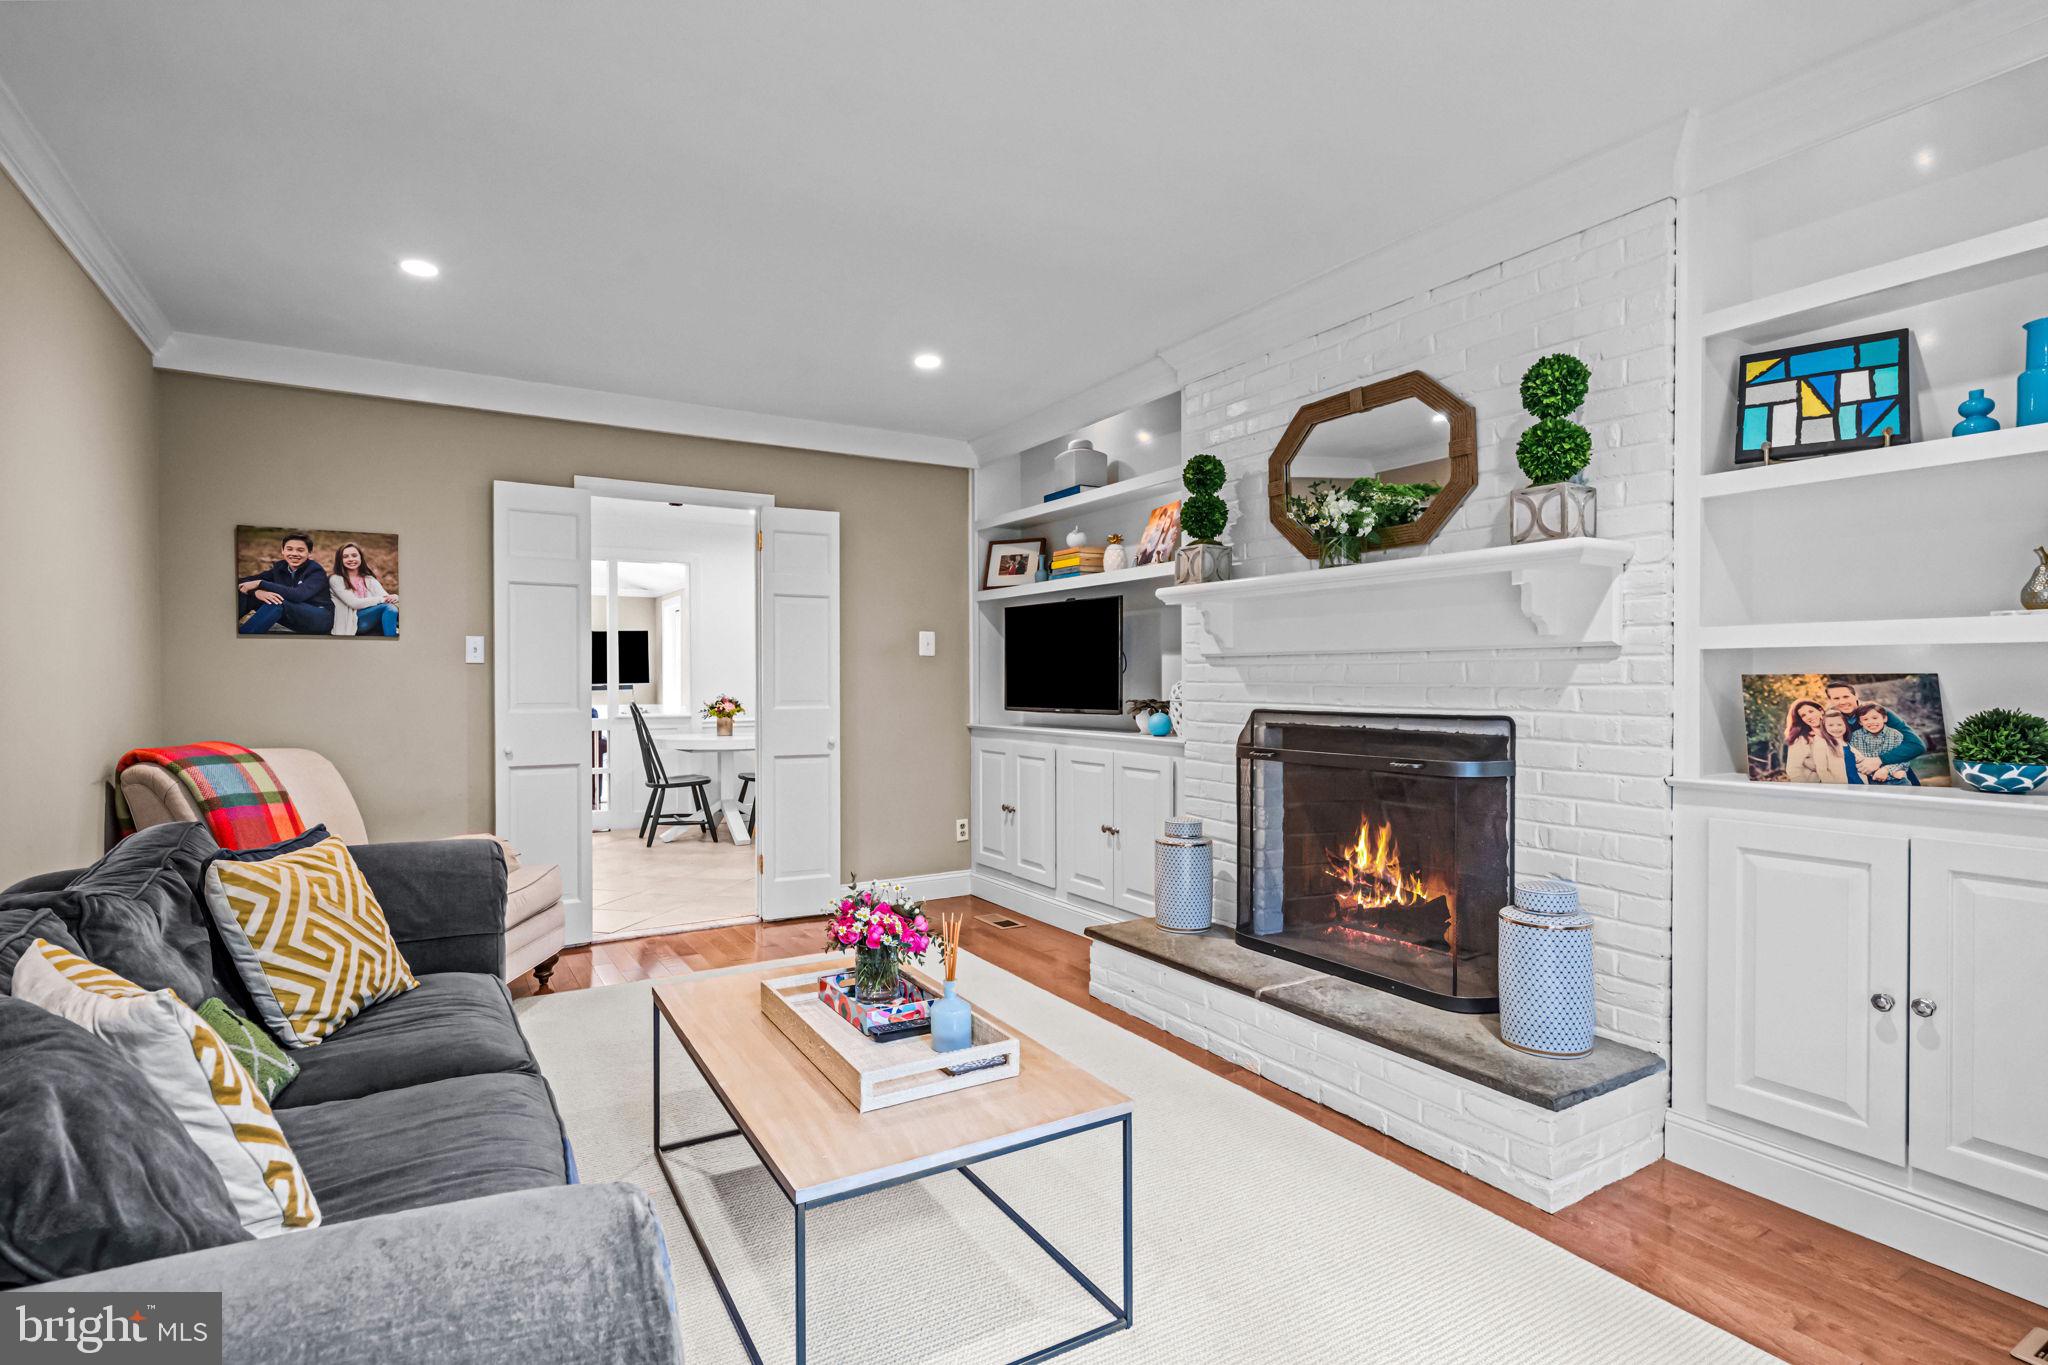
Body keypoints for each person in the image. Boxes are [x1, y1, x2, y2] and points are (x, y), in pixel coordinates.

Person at [1824, 677, 1925, 781]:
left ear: (1856, 695)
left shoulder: (1877, 712)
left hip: (1895, 774)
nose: (1842, 702)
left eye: (1846, 696)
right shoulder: (1830, 720)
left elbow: (1916, 745)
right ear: (1830, 700)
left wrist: (1879, 760)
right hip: (1861, 778)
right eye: (1836, 698)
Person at [237, 532, 334, 635]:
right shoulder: (280, 568)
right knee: (246, 594)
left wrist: (261, 583)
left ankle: (246, 636)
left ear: (309, 553)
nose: (294, 554)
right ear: (283, 551)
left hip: (319, 618)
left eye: (300, 550)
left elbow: (298, 595)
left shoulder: (315, 571)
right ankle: (228, 630)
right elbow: (242, 582)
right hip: (293, 616)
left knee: (276, 602)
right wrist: (256, 592)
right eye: (289, 549)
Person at [327, 541, 399, 637]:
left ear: (360, 557)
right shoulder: (336, 579)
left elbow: (386, 597)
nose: (351, 559)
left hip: (370, 618)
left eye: (354, 555)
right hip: (351, 623)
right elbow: (354, 603)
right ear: (340, 560)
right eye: (345, 557)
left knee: (391, 608)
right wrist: (382, 599)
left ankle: (392, 640)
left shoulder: (368, 579)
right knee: (389, 608)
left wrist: (395, 597)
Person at [1786, 707, 1863, 784]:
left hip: (1858, 783)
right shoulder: (1821, 742)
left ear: (1845, 725)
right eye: (1831, 725)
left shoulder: (1847, 743)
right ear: (1825, 727)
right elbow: (1822, 770)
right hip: (1840, 785)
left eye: (1839, 725)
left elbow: (1860, 762)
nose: (1836, 728)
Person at [1850, 703, 1920, 784]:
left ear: (1885, 718)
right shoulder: (1855, 737)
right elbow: (1857, 760)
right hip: (1871, 780)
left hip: (1896, 779)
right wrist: (1874, 773)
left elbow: (1904, 758)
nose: (1871, 722)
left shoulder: (1896, 735)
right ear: (1860, 722)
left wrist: (1887, 770)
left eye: (1875, 718)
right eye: (1865, 719)